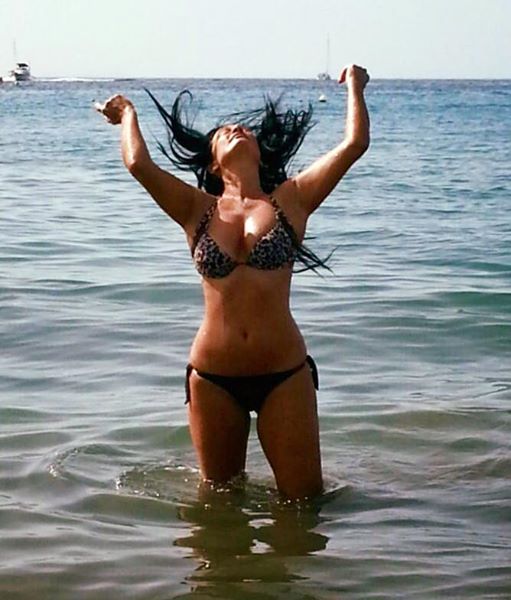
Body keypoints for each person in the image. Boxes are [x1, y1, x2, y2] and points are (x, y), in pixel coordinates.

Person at [96, 64, 370, 500]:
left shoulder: (293, 200)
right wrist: (128, 113)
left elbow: (354, 144)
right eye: (224, 132)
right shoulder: (195, 209)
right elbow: (138, 164)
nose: (237, 130)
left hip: (285, 374)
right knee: (218, 508)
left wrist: (355, 85)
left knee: (304, 505)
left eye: (244, 130)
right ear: (212, 161)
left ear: (260, 153)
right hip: (213, 378)